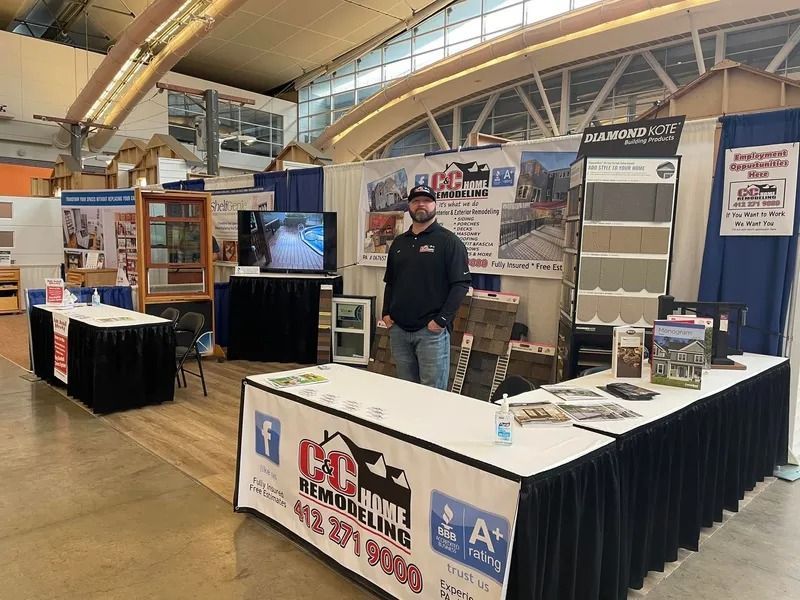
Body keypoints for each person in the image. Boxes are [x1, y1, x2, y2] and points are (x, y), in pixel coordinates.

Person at [381, 184, 471, 390]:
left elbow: (461, 284)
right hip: (399, 330)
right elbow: (391, 281)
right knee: (406, 390)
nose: (421, 204)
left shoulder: (449, 242)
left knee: (432, 393)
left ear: (435, 205)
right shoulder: (399, 244)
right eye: (415, 201)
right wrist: (386, 313)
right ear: (409, 206)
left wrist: (440, 321)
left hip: (431, 333)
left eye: (427, 200)